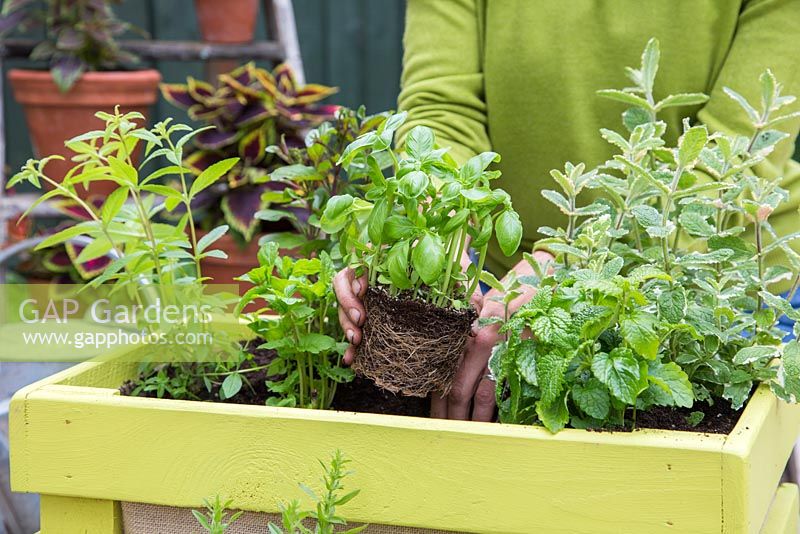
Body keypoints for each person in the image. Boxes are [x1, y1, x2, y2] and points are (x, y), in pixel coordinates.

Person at [335, 0, 800, 421]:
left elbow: (737, 153)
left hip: (719, 290)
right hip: (500, 290)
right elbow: (442, 108)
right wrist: (424, 229)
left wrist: (575, 266)